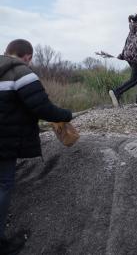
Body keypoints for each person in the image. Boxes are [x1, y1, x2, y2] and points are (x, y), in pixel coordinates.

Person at [0, 39, 73, 254]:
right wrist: (66, 115)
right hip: (4, 141)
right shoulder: (21, 72)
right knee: (3, 184)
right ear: (28, 57)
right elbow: (43, 107)